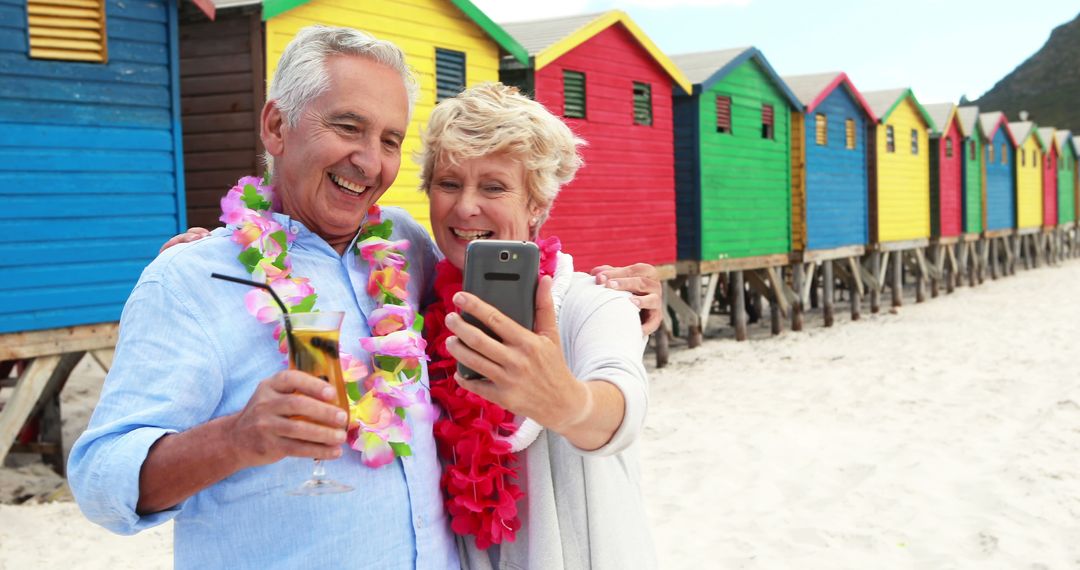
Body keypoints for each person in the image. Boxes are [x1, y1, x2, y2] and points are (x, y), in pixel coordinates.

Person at [71, 25, 660, 569]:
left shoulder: (406, 248)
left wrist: (618, 297)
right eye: (348, 127)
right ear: (277, 127)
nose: (369, 160)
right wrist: (235, 439)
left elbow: (499, 247)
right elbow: (100, 479)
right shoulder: (191, 281)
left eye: (389, 140)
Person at [418, 83, 655, 569]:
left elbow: (621, 404)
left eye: (493, 186)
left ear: (536, 206)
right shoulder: (415, 304)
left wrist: (565, 400)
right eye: (448, 183)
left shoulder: (595, 303)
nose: (465, 207)